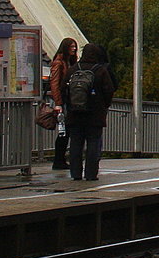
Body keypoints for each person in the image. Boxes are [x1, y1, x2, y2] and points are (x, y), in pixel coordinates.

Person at [64, 42, 115, 182]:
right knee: (93, 143)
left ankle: (75, 173)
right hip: (95, 115)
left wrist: (69, 105)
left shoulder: (73, 70)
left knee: (75, 144)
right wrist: (104, 105)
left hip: (74, 114)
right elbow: (109, 90)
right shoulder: (100, 71)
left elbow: (64, 89)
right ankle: (91, 174)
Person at [48, 37, 78, 170]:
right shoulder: (59, 63)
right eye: (71, 46)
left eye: (74, 46)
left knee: (66, 131)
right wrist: (58, 102)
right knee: (64, 131)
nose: (74, 49)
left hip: (68, 99)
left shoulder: (68, 62)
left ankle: (60, 159)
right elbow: (54, 83)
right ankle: (58, 159)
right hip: (64, 100)